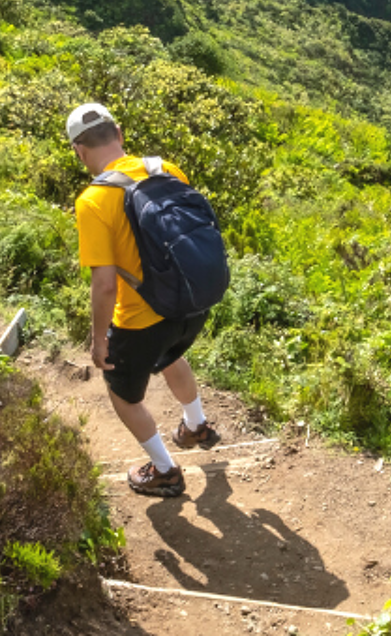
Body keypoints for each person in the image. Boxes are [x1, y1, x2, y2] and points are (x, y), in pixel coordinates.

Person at [69, 102, 222, 497]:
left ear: (79, 151)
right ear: (118, 133)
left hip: (141, 320)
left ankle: (165, 470)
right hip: (191, 304)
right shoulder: (166, 168)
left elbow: (104, 285)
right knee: (171, 355)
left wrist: (100, 340)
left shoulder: (92, 201)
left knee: (122, 394)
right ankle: (196, 425)